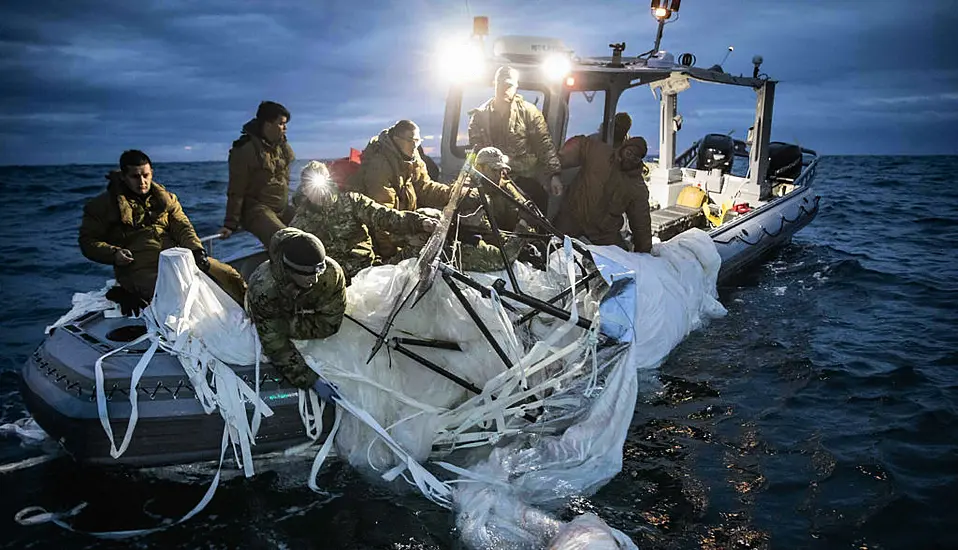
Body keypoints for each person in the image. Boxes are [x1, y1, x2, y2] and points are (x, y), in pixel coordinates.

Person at [79, 150, 247, 315]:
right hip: (138, 267)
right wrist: (114, 254)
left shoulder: (166, 199)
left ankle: (253, 315)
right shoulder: (102, 206)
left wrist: (197, 251)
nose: (142, 181)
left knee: (229, 275)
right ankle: (125, 291)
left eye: (145, 175)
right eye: (135, 177)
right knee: (176, 297)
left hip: (176, 258)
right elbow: (88, 241)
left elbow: (183, 226)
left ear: (152, 172)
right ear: (123, 177)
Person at [291, 161, 439, 283]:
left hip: (366, 271)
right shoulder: (300, 222)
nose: (319, 192)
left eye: (322, 184)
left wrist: (419, 222)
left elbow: (385, 217)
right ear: (303, 189)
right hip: (332, 282)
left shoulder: (352, 201)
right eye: (310, 186)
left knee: (420, 242)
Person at [347, 119, 465, 259]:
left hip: (405, 223)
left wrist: (454, 194)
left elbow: (425, 188)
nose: (415, 145)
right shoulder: (379, 166)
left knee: (437, 220)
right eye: (411, 140)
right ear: (397, 139)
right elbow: (382, 219)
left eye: (417, 140)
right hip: (387, 233)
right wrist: (393, 258)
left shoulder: (412, 158)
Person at [246, 228, 346, 389]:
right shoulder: (263, 288)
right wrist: (310, 380)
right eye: (307, 274)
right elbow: (275, 343)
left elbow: (330, 323)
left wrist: (292, 324)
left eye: (318, 270)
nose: (314, 279)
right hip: (270, 311)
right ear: (290, 270)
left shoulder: (331, 273)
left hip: (296, 314)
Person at [467, 66, 563, 212]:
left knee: (537, 201)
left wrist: (553, 175)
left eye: (509, 85)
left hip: (523, 178)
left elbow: (544, 145)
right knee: (474, 205)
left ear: (516, 86)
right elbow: (475, 153)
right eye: (502, 84)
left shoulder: (529, 113)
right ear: (495, 84)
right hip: (491, 180)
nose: (505, 89)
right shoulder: (479, 117)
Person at [218, 101, 295, 246]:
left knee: (312, 229)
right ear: (268, 124)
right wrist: (230, 224)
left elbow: (285, 179)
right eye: (281, 123)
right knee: (286, 240)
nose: (285, 128)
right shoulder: (245, 150)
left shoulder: (282, 147)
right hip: (256, 210)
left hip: (281, 208)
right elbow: (236, 189)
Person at [557, 137, 652, 253]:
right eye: (629, 153)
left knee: (619, 262)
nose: (630, 158)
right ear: (623, 149)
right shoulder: (600, 153)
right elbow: (580, 145)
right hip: (572, 217)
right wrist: (557, 162)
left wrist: (644, 251)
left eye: (636, 158)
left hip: (602, 233)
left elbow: (641, 221)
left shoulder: (637, 187)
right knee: (552, 246)